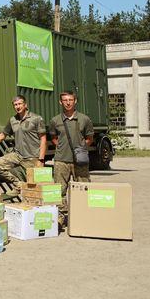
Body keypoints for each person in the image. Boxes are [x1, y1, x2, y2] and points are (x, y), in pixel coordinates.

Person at [48, 91, 94, 227]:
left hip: (80, 161)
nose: (68, 103)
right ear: (60, 102)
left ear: (75, 101)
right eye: (65, 100)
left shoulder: (84, 119)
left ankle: (83, 215)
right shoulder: (55, 120)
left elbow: (89, 138)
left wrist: (81, 149)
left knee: (84, 188)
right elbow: (53, 138)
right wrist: (62, 147)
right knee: (59, 190)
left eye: (70, 100)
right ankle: (62, 217)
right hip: (61, 160)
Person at [0, 95, 48, 194]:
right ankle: (18, 185)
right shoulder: (12, 120)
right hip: (17, 155)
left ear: (25, 105)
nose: (18, 106)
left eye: (20, 104)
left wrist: (41, 159)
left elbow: (43, 139)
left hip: (32, 157)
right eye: (15, 105)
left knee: (35, 187)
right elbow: (3, 135)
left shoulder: (36, 118)